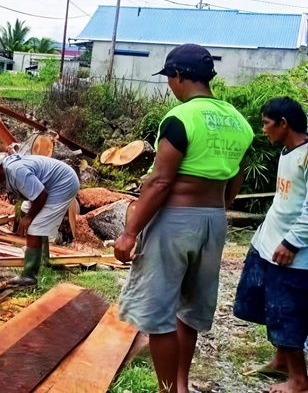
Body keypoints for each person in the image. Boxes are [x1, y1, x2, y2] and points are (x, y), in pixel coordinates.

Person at [114, 43, 253, 393]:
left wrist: (130, 232)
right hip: (213, 222)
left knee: (158, 314)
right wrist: (219, 208)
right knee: (189, 311)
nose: (170, 86)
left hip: (175, 222)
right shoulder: (238, 121)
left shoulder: (181, 118)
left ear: (177, 76)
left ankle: (165, 390)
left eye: (169, 79)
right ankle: (181, 385)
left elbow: (161, 181)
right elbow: (237, 174)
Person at [233, 97, 308, 393]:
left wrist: (292, 242)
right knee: (267, 306)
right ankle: (280, 362)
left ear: (283, 124)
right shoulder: (289, 151)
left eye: (266, 123)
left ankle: (300, 381)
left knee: (287, 312)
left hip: (293, 252)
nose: (263, 129)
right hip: (269, 243)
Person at [0, 149, 79, 286]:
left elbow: (41, 196)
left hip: (63, 182)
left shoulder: (16, 171)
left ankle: (29, 277)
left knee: (34, 227)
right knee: (26, 209)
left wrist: (28, 219)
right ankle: (44, 260)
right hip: (46, 186)